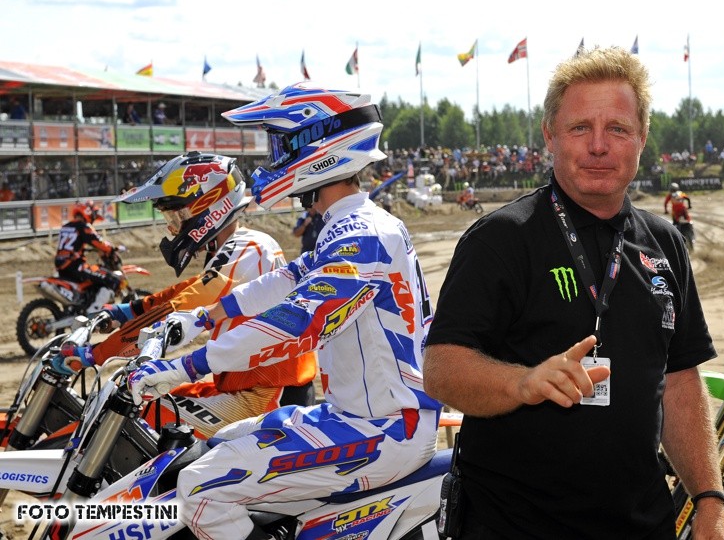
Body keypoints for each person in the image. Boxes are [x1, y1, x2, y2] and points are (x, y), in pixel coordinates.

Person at [422, 46, 724, 539]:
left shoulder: (665, 244)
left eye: (618, 129)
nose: (598, 146)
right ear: (550, 135)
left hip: (642, 525)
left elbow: (679, 381)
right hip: (513, 527)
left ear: (642, 138)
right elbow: (441, 370)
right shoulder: (500, 239)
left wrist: (710, 500)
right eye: (580, 127)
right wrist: (523, 382)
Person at [126, 84, 440, 540]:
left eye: (281, 147)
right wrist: (201, 319)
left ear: (319, 149)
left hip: (380, 430)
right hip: (364, 419)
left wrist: (185, 367)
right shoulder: (355, 224)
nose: (273, 161)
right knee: (215, 443)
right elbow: (288, 278)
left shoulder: (362, 234)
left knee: (200, 487)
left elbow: (296, 322)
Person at [52, 152, 316, 439]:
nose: (172, 226)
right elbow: (188, 290)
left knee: (140, 418)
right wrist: (130, 310)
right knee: (138, 401)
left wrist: (98, 354)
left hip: (267, 398)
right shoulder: (239, 247)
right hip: (247, 387)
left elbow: (186, 303)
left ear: (210, 206)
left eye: (177, 215)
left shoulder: (249, 248)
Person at [54, 200, 122, 313]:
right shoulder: (83, 226)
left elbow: (73, 245)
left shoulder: (66, 226)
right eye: (93, 214)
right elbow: (98, 241)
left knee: (90, 283)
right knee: (111, 280)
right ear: (87, 212)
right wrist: (111, 249)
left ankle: (80, 307)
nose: (93, 218)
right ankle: (92, 312)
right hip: (75, 266)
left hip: (61, 265)